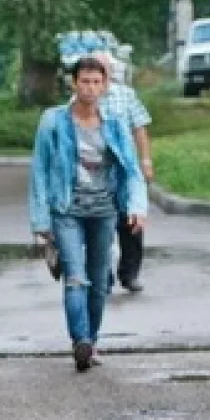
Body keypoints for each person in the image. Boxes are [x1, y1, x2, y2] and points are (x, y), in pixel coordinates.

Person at [27, 57, 148, 373]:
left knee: (99, 280)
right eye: (85, 82)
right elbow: (39, 171)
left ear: (105, 86)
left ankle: (90, 342)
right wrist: (41, 221)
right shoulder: (53, 121)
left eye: (97, 82)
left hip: (104, 211)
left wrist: (136, 207)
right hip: (66, 210)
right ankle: (79, 340)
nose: (90, 88)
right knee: (75, 278)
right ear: (74, 84)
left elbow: (131, 170)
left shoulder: (115, 125)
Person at [92, 51, 153, 293]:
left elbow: (139, 128)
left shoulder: (125, 95)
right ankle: (102, 274)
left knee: (132, 223)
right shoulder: (82, 99)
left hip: (125, 170)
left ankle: (129, 274)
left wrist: (145, 160)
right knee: (100, 224)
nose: (99, 79)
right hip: (96, 171)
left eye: (103, 72)